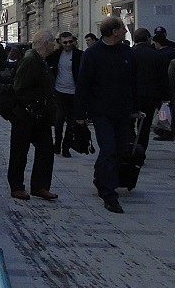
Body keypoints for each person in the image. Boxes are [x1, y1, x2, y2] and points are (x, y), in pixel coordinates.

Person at [74, 16, 137, 214]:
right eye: (123, 28)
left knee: (117, 151)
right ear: (114, 31)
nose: (126, 31)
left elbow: (132, 83)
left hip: (122, 111)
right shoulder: (92, 54)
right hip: (101, 111)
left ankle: (100, 178)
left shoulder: (127, 52)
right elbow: (83, 85)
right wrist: (80, 114)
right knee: (108, 149)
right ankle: (109, 195)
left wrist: (135, 107)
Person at [6, 29, 59, 201]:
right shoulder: (30, 60)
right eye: (53, 42)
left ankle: (40, 186)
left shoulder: (41, 61)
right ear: (45, 44)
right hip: (25, 116)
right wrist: (33, 106)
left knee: (46, 149)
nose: (54, 45)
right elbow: (19, 87)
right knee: (19, 152)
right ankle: (16, 186)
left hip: (40, 116)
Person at [131, 28, 168, 154]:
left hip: (131, 95)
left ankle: (130, 146)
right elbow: (163, 77)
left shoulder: (129, 53)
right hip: (150, 96)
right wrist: (165, 96)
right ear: (147, 39)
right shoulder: (156, 55)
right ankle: (141, 149)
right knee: (145, 125)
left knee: (129, 123)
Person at [45, 32, 82, 157]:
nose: (68, 44)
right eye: (65, 42)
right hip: (59, 90)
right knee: (59, 118)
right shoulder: (56, 55)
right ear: (60, 42)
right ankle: (57, 144)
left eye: (70, 42)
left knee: (71, 120)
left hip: (74, 92)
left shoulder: (79, 55)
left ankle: (66, 146)